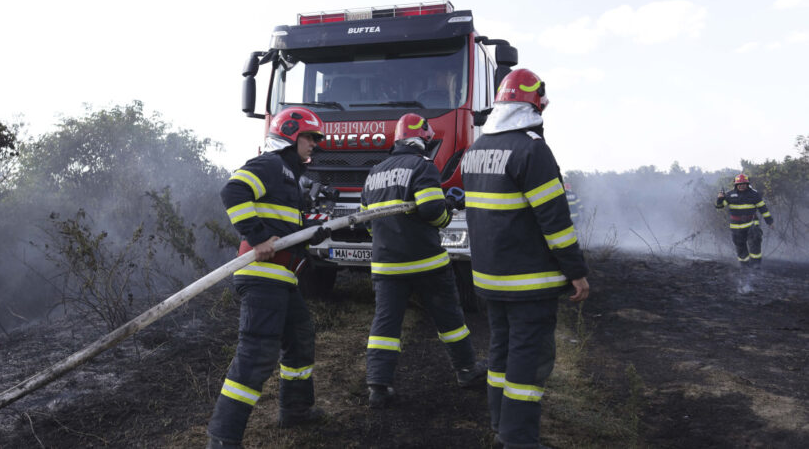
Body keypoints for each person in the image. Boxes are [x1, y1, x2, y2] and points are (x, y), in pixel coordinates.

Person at [461, 69, 590, 448]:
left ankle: (501, 427)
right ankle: (519, 439)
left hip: (490, 279)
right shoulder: (532, 150)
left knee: (500, 354)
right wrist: (576, 271)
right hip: (529, 281)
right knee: (527, 359)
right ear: (535, 106)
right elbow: (556, 222)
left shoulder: (475, 150)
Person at [207, 107, 332, 449]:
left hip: (282, 277)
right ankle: (223, 437)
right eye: (310, 137)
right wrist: (258, 236)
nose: (315, 145)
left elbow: (284, 229)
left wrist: (311, 234)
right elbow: (233, 191)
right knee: (256, 355)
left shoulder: (288, 177)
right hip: (263, 275)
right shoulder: (271, 165)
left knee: (300, 338)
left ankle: (295, 410)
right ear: (290, 135)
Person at [360, 113, 487, 408]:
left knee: (385, 324)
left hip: (385, 264)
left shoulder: (374, 172)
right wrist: (447, 210)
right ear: (424, 140)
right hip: (426, 262)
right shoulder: (422, 166)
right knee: (450, 320)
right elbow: (431, 210)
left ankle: (378, 386)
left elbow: (367, 222)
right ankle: (467, 370)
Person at [716, 174, 773, 271]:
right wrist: (720, 198)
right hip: (736, 226)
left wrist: (769, 221)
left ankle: (756, 266)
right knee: (740, 246)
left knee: (755, 242)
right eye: (740, 184)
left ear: (747, 184)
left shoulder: (754, 194)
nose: (742, 186)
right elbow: (719, 206)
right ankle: (744, 266)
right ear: (736, 185)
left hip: (751, 223)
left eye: (744, 184)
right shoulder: (730, 195)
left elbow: (763, 208)